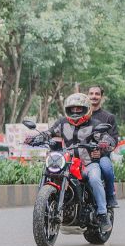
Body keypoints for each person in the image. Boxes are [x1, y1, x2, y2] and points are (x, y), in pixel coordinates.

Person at [29, 93, 114, 228]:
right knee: (49, 172)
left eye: (79, 109)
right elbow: (50, 132)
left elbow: (106, 138)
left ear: (86, 109)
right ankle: (45, 208)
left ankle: (103, 214)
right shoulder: (62, 123)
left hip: (88, 164)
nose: (75, 111)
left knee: (95, 178)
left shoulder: (94, 124)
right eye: (72, 108)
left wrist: (105, 143)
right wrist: (37, 137)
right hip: (68, 163)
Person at [87, 85, 119, 209]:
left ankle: (110, 194)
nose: (94, 96)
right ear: (87, 96)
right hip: (82, 155)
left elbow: (114, 139)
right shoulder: (80, 115)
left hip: (101, 156)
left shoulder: (108, 117)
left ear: (101, 97)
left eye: (97, 94)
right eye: (91, 93)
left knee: (106, 166)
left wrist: (100, 152)